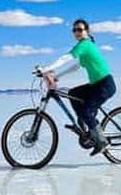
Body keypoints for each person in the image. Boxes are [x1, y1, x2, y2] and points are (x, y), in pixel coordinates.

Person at [34, 18, 116, 156]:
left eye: (80, 29)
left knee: (87, 111)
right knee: (74, 93)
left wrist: (46, 69)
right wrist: (57, 76)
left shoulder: (85, 44)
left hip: (104, 85)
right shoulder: (85, 48)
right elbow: (76, 66)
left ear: (87, 31)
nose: (77, 32)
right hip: (96, 85)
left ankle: (102, 141)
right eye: (74, 30)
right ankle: (85, 125)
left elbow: (66, 58)